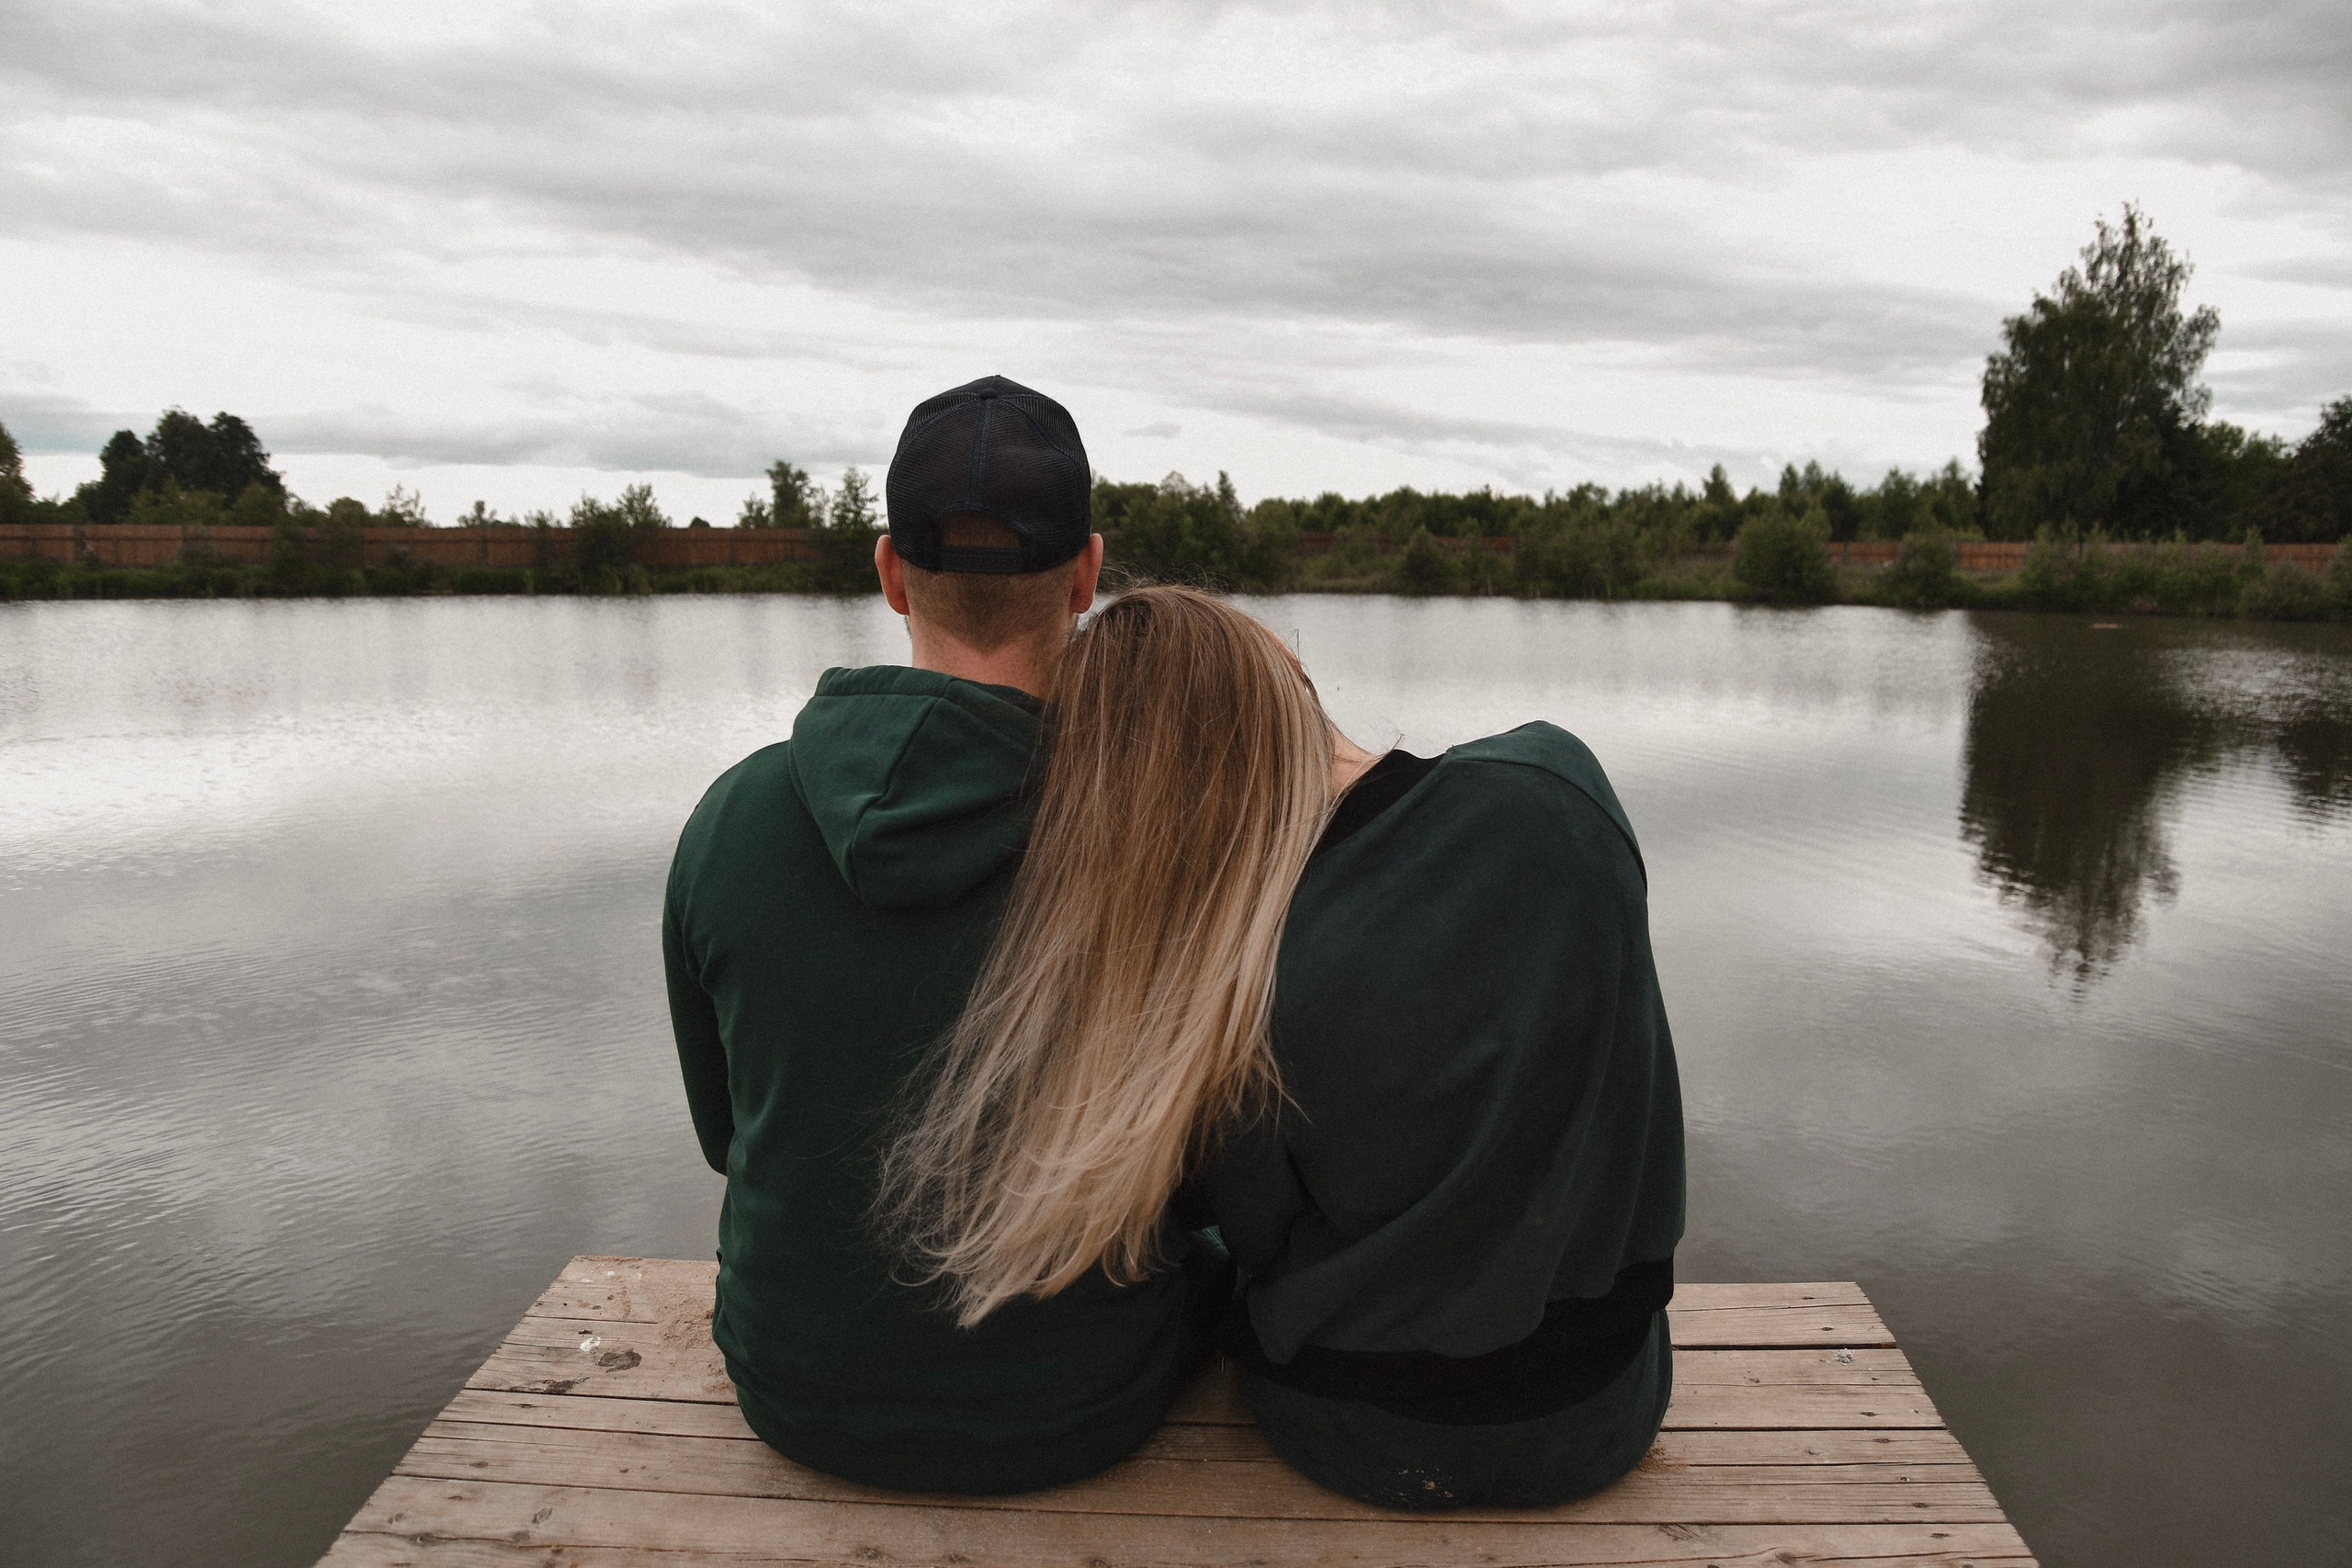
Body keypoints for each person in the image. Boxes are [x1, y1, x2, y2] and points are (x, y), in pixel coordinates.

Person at [880, 585, 1684, 1511]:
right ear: (1290, 672)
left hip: (1355, 1430)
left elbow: (1253, 1238)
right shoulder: (1558, 785)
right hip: (1600, 1409)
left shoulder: (1212, 982)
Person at [662, 377, 1228, 1494]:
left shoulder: (731, 818)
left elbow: (727, 1135)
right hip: (1079, 1410)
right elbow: (1206, 1171)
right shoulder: (1162, 830)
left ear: (886, 574)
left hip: (792, 1392)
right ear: (1085, 575)